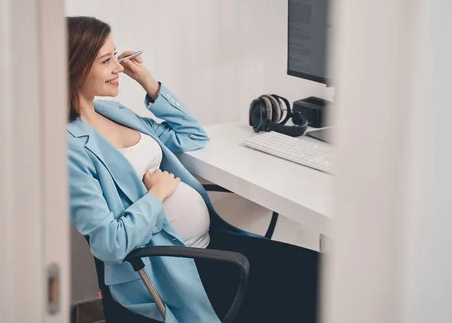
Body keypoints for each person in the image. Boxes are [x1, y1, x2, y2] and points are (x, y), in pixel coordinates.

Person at [67, 16, 320, 323]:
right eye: (107, 61)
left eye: (115, 57)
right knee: (312, 288)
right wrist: (157, 195)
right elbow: (110, 244)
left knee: (322, 273)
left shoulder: (112, 112)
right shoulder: (70, 148)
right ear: (77, 68)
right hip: (172, 270)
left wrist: (149, 82)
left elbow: (192, 135)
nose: (119, 67)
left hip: (211, 243)